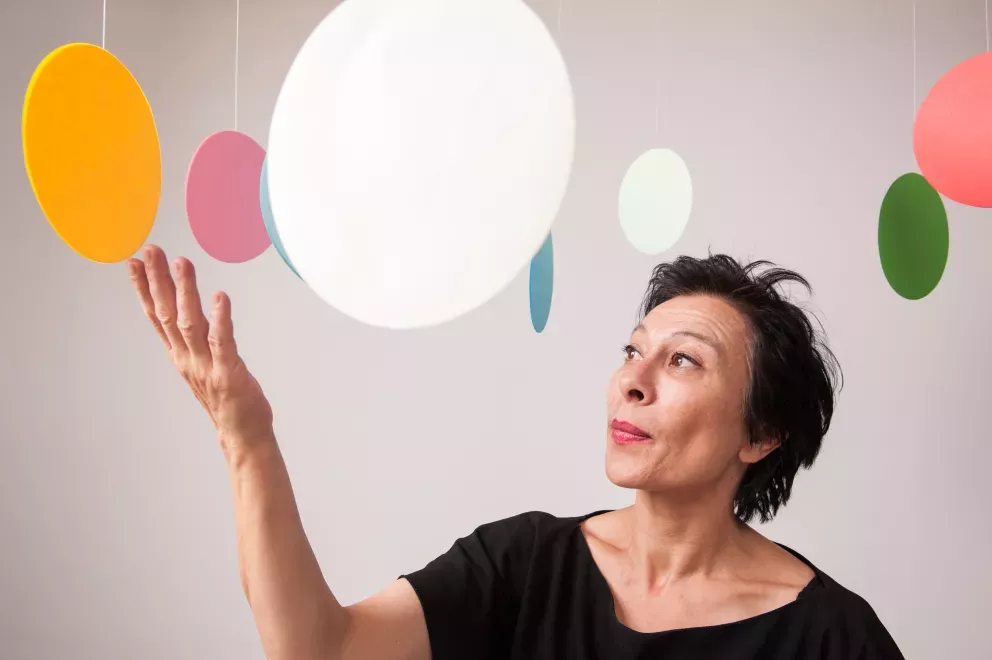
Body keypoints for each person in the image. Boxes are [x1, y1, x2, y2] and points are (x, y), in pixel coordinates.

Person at [127, 245, 904, 660]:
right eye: (632, 351)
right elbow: (318, 652)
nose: (631, 381)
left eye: (683, 361)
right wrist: (246, 438)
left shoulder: (833, 637)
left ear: (761, 434)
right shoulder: (525, 565)